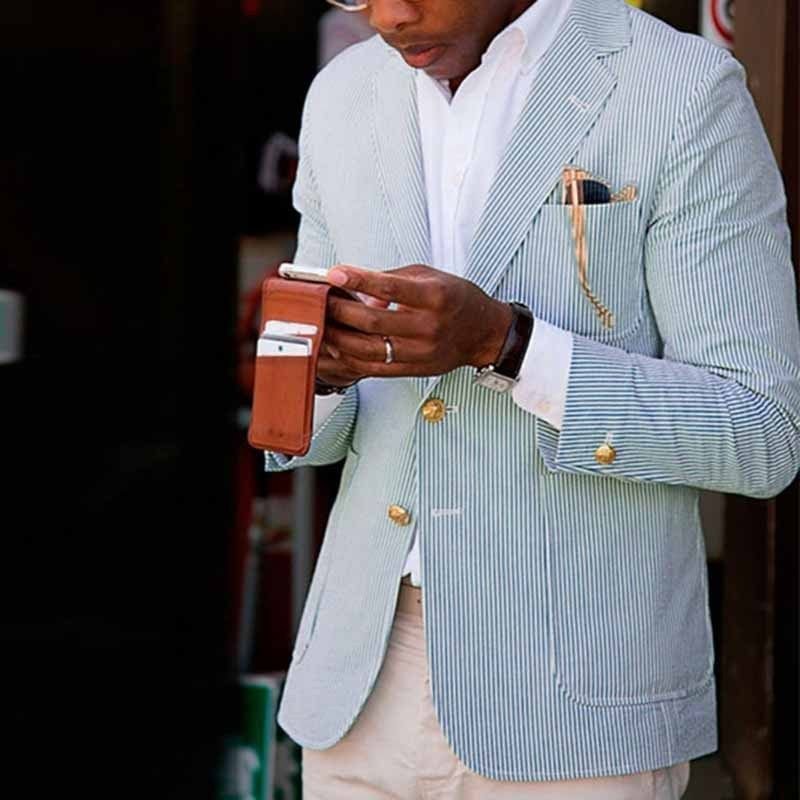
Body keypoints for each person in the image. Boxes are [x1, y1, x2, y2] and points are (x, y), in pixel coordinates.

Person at [262, 0, 800, 797]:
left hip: (577, 705)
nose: (388, 16)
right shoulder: (342, 94)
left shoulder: (680, 88)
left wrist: (508, 345)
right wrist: (325, 370)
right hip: (359, 688)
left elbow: (760, 431)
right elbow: (305, 418)